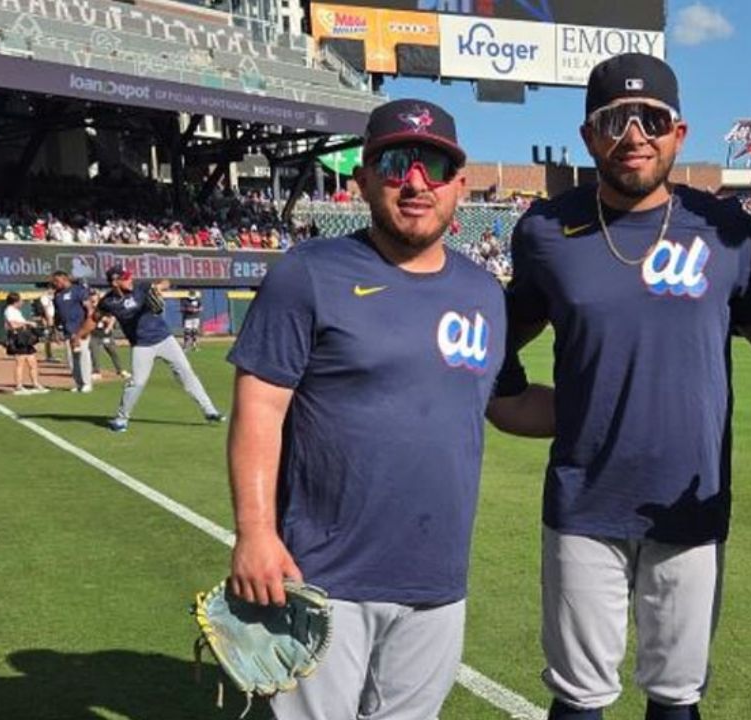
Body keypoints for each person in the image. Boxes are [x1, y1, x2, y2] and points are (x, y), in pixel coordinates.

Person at [225, 98, 551, 720]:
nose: (416, 182)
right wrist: (255, 533)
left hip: (436, 581)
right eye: (398, 163)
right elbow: (259, 409)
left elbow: (505, 403)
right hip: (322, 577)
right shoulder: (309, 272)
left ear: (459, 183)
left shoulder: (484, 293)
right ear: (365, 179)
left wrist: (612, 413)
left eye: (434, 165)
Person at [504, 54, 751, 720]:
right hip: (583, 501)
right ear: (589, 136)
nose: (634, 134)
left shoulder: (728, 234)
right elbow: (492, 346)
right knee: (578, 697)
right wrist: (523, 405)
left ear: (678, 134)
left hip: (690, 500)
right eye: (615, 119)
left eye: (651, 118)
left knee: (676, 698)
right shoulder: (545, 232)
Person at [86, 266, 225, 432]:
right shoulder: (108, 301)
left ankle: (210, 410)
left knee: (187, 373)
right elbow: (95, 317)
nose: (130, 279)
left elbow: (165, 281)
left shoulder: (141, 287)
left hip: (165, 339)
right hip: (142, 345)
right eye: (125, 277)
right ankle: (121, 419)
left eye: (129, 276)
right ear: (115, 282)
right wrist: (80, 334)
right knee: (137, 382)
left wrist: (158, 288)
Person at [49, 271, 94, 392]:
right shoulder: (57, 295)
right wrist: (56, 329)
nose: (54, 284)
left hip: (81, 328)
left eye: (56, 281)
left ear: (63, 279)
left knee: (83, 355)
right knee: (71, 358)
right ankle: (78, 383)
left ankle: (87, 383)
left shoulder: (78, 290)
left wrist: (87, 327)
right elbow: (57, 314)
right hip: (67, 330)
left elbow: (89, 309)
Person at [2, 292, 48, 395]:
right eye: (20, 300)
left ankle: (36, 384)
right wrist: (28, 323)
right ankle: (19, 386)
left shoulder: (16, 311)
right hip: (18, 338)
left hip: (25, 337)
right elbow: (13, 325)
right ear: (15, 301)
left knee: (33, 362)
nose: (22, 302)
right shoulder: (9, 310)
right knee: (20, 363)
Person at [90, 313, 130, 379]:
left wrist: (109, 325)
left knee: (113, 352)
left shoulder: (107, 308)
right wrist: (102, 318)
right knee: (95, 354)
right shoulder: (94, 309)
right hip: (95, 335)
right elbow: (95, 316)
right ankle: (96, 371)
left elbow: (112, 318)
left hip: (106, 335)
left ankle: (120, 370)